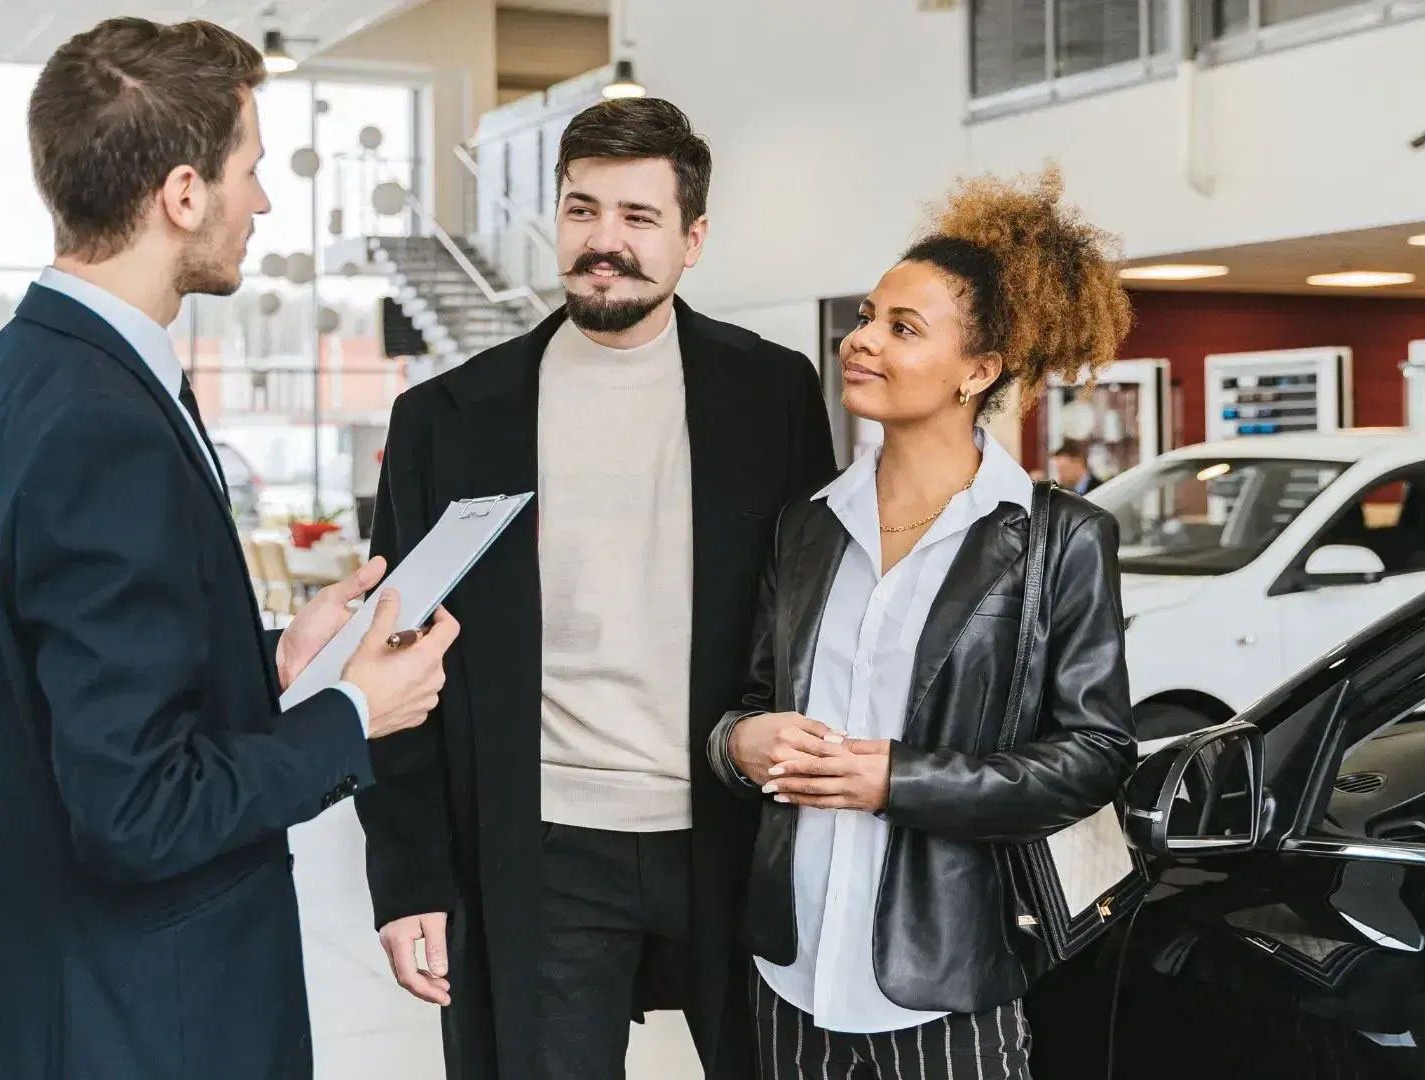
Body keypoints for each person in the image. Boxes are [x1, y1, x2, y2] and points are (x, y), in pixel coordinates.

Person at [0, 18, 458, 1080]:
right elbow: (135, 810)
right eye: (250, 170)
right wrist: (353, 713)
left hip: (46, 993)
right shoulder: (102, 418)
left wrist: (267, 660)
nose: (260, 202)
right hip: (144, 1022)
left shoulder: (7, 373)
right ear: (182, 194)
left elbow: (82, 687)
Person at [355, 96, 838, 1080]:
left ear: (693, 238)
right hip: (539, 849)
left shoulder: (773, 396)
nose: (602, 243)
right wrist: (406, 878)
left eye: (637, 218)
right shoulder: (448, 419)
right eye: (582, 212)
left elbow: (811, 624)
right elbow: (391, 668)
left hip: (733, 830)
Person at [709, 163, 1137, 1080]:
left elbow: (1093, 755)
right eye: (867, 317)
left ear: (977, 372)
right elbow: (750, 699)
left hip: (948, 975)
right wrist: (740, 742)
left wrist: (897, 779)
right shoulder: (807, 527)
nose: (861, 341)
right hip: (789, 966)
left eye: (902, 329)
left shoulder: (1059, 541)